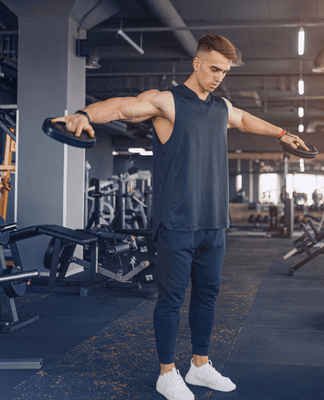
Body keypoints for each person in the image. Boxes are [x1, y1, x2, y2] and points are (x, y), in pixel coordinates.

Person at [53, 33, 308, 400]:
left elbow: (244, 119)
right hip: (176, 222)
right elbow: (123, 107)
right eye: (215, 68)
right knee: (171, 299)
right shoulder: (167, 102)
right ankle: (167, 373)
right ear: (197, 62)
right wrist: (83, 114)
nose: (220, 76)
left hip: (214, 222)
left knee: (208, 295)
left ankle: (200, 367)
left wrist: (282, 132)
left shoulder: (221, 107)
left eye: (226, 71)